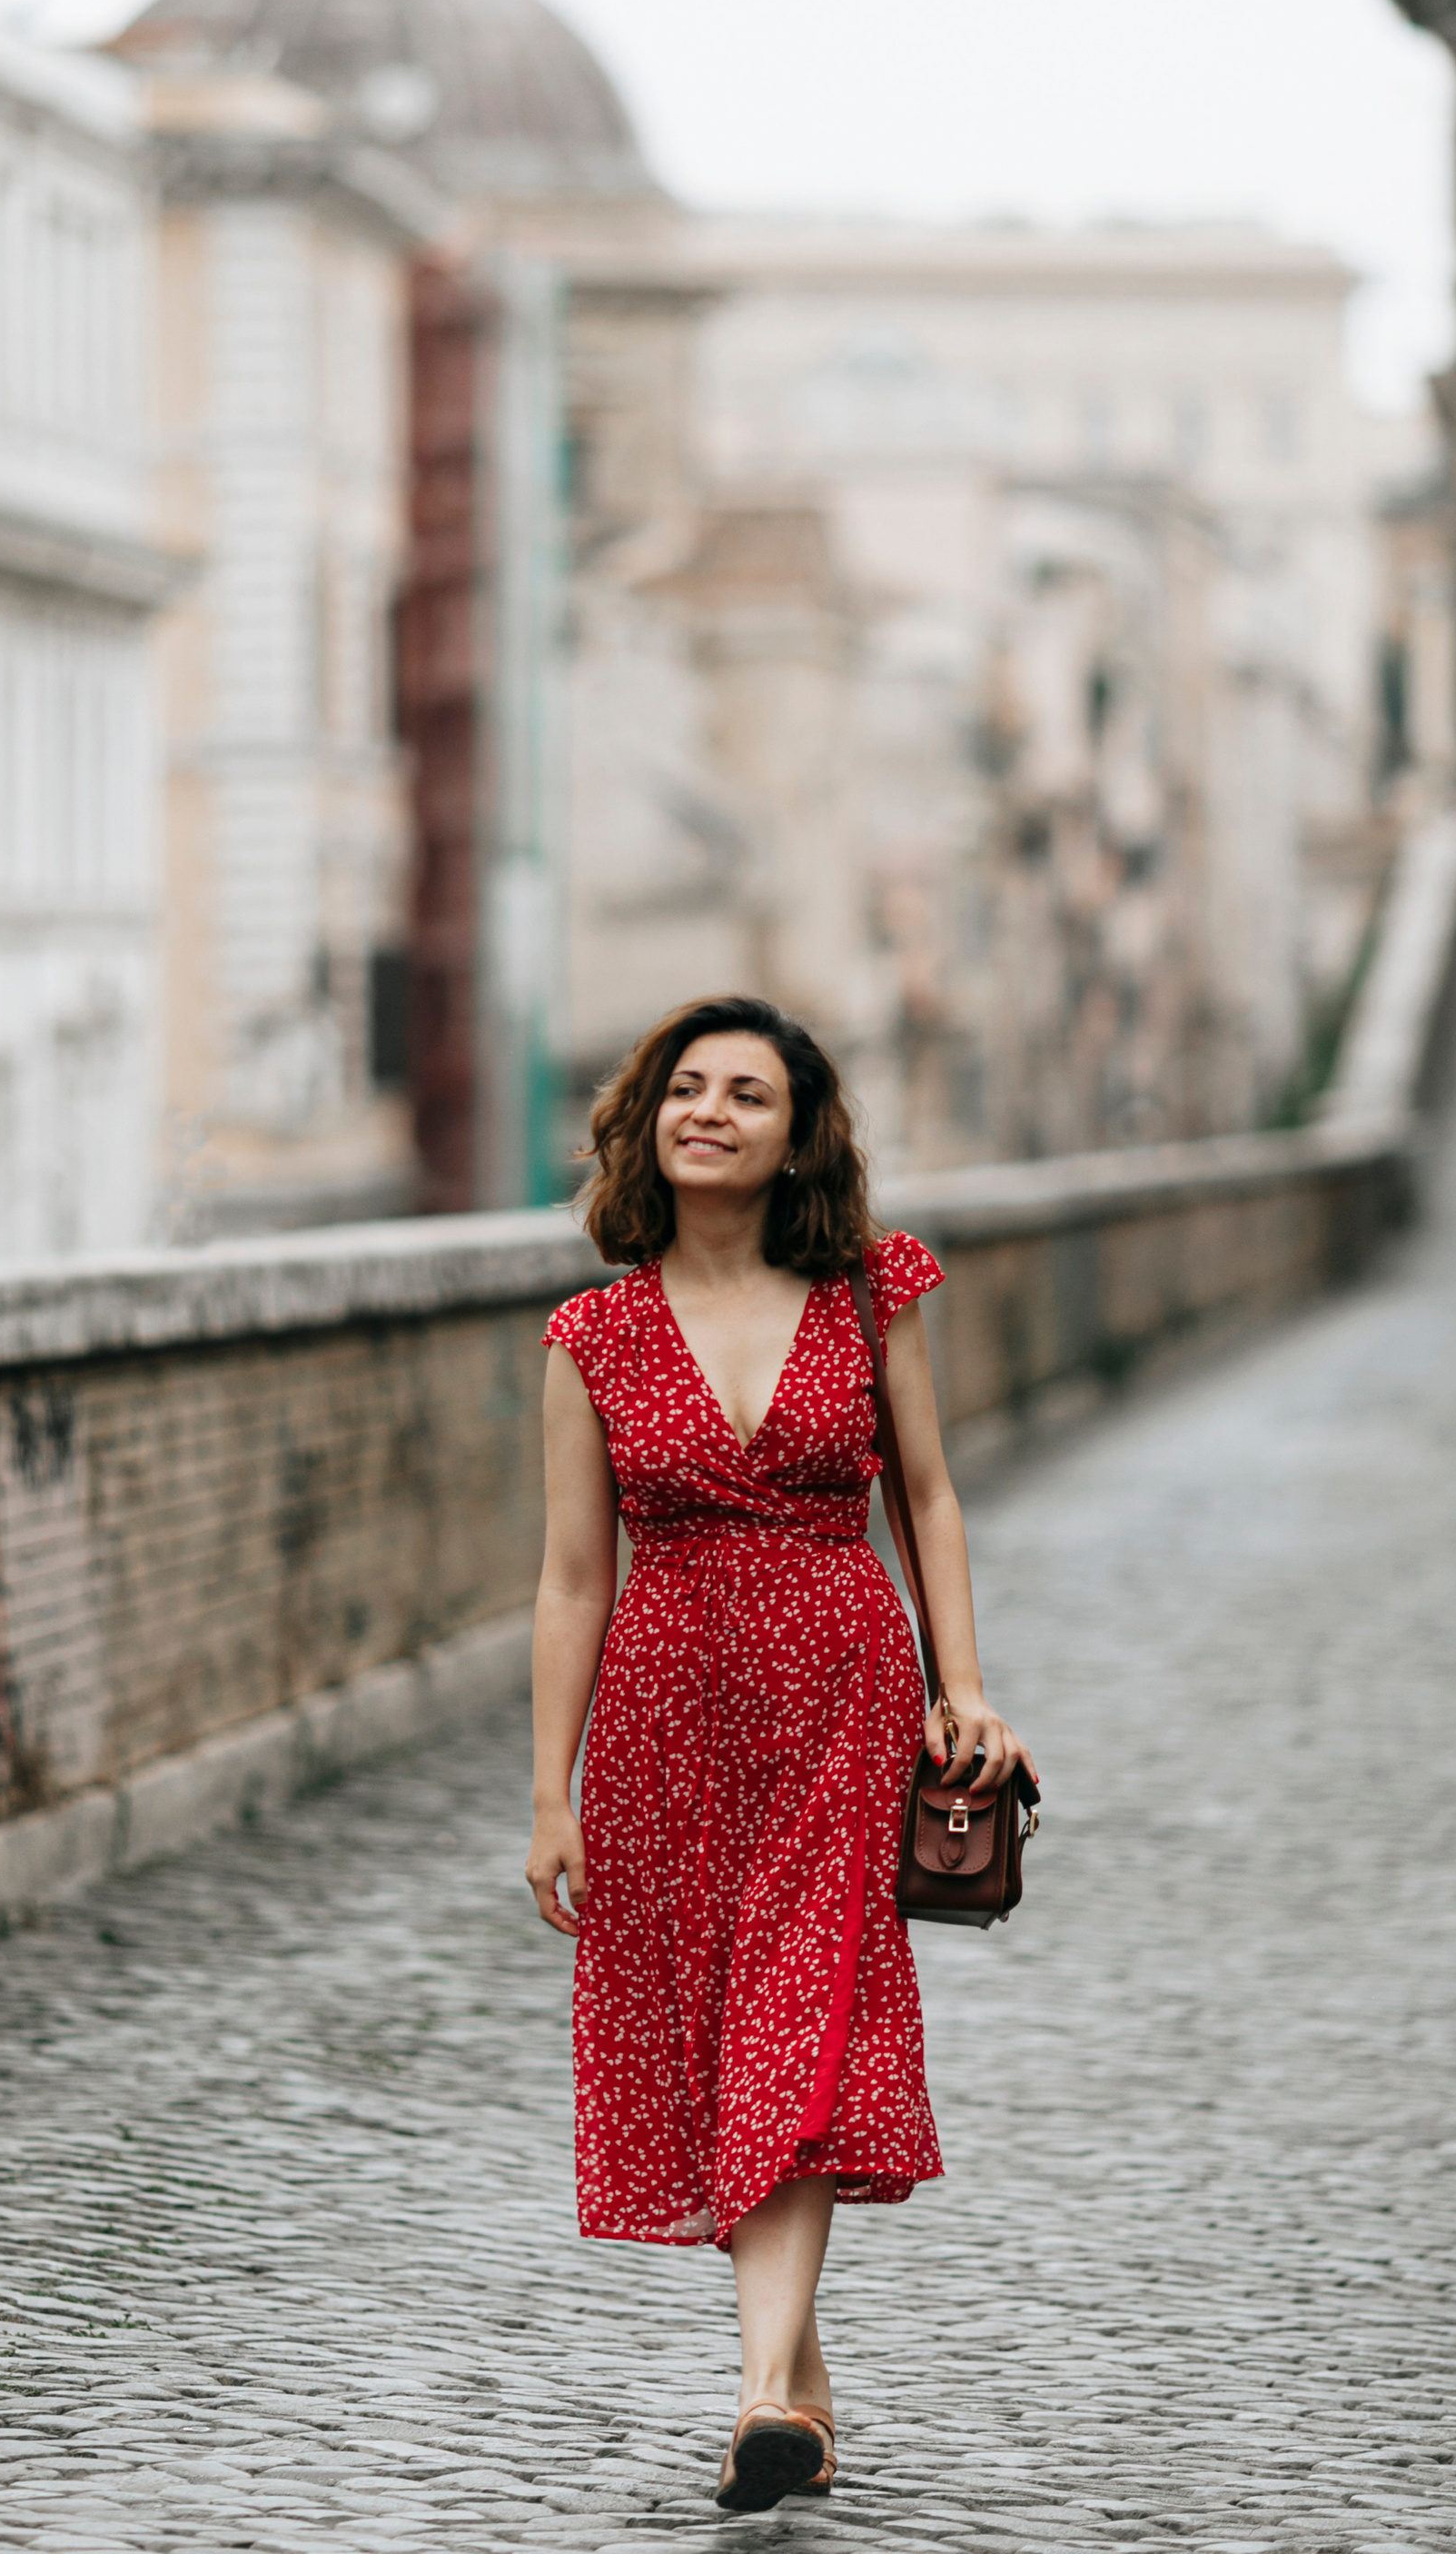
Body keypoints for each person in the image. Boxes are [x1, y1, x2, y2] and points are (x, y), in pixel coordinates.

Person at [525, 994, 1035, 2515]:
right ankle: (796, 2379)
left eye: (750, 1094)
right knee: (720, 2038)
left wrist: (967, 1684)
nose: (712, 1113)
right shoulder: (591, 1335)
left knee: (799, 2023)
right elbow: (569, 1579)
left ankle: (759, 2398)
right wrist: (548, 1794)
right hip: (667, 1721)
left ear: (798, 1131)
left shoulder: (874, 1290)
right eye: (687, 1088)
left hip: (841, 1700)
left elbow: (928, 1497)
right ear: (648, 1121)